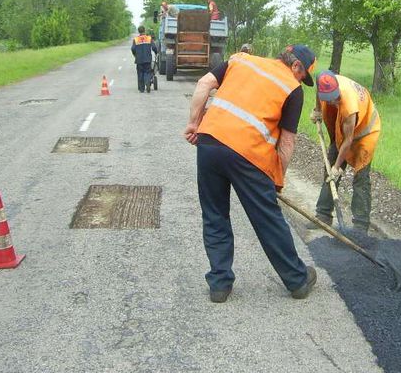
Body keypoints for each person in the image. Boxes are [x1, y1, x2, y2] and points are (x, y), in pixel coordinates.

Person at [184, 44, 319, 303]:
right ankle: (297, 280)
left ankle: (219, 285)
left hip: (210, 143)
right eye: (304, 76)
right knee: (267, 218)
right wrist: (277, 180)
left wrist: (194, 123)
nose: (302, 81)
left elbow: (203, 84)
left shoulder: (240, 60)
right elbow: (287, 143)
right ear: (296, 66)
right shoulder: (292, 89)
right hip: (249, 156)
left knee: (214, 214)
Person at [311, 70, 381, 233]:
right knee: (329, 170)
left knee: (361, 178)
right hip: (341, 128)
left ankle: (360, 226)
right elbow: (317, 90)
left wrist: (338, 167)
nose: (334, 102)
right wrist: (317, 110)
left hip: (365, 133)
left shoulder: (349, 106)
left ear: (338, 91)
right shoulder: (323, 81)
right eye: (330, 100)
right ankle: (323, 216)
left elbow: (348, 140)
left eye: (336, 98)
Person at [131, 25, 158, 93]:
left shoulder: (136, 39)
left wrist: (135, 55)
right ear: (144, 30)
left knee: (140, 73)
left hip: (139, 60)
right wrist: (156, 52)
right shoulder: (149, 38)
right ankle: (147, 82)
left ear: (138, 31)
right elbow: (154, 47)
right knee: (147, 72)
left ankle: (141, 89)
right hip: (147, 59)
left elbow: (133, 48)